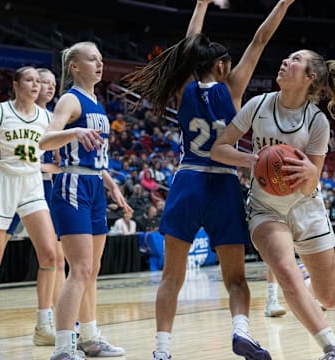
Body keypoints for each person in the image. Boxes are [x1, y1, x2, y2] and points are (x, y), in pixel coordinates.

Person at [122, 0, 295, 359]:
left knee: (171, 276)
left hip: (188, 181)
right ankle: (241, 331)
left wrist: (200, 4)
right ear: (221, 65)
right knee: (235, 278)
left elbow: (189, 43)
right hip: (223, 183)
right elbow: (260, 40)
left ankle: (162, 350)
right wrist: (283, 4)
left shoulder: (183, 86)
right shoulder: (231, 90)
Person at [210, 50, 335, 360]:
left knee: (329, 297)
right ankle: (330, 348)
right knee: (285, 271)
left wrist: (309, 172)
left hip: (306, 207)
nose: (285, 61)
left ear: (310, 78)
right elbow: (219, 149)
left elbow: (311, 183)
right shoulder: (258, 105)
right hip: (265, 209)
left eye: (294, 60)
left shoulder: (317, 121)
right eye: (286, 57)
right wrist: (253, 159)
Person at [39, 41, 132, 360]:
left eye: (101, 58)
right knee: (78, 268)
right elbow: (45, 140)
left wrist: (113, 186)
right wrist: (73, 134)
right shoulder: (70, 99)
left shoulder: (96, 101)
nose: (99, 63)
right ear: (75, 66)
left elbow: (97, 156)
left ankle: (90, 338)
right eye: (92, 58)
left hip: (93, 184)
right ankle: (64, 346)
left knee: (92, 269)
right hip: (71, 185)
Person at [0, 66, 58, 349]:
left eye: (39, 81)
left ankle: (44, 325)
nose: (36, 85)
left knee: (49, 255)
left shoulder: (48, 117)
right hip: (3, 182)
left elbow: (56, 160)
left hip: (33, 183)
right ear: (16, 84)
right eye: (30, 80)